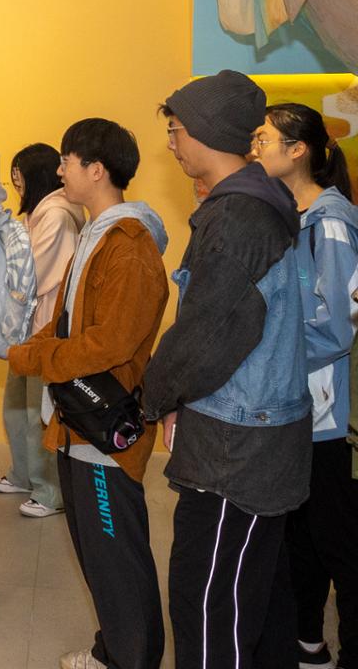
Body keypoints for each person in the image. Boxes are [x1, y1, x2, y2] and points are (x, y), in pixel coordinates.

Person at [144, 70, 311, 669]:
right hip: (255, 432)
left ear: (207, 132)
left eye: (176, 129)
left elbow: (207, 336)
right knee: (254, 599)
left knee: (210, 605)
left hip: (236, 446)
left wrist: (155, 396)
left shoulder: (238, 217)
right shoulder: (260, 202)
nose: (171, 143)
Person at [9, 119, 169, 669]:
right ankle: (113, 650)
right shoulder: (95, 233)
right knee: (98, 553)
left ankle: (130, 659)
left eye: (67, 161)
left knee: (116, 555)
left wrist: (34, 358)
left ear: (96, 170)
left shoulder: (129, 246)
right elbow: (68, 323)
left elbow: (110, 344)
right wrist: (33, 346)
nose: (59, 171)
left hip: (107, 424)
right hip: (77, 419)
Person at [251, 103, 357, 669]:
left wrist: (269, 357)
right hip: (290, 403)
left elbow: (337, 327)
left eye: (264, 139)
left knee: (336, 540)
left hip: (323, 412)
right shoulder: (283, 214)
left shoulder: (330, 222)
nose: (255, 148)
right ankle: (308, 643)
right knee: (298, 537)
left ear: (298, 151)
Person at [0, 143, 85, 519]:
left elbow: (32, 274)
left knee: (39, 412)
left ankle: (50, 491)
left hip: (45, 327)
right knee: (16, 407)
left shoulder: (57, 216)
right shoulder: (39, 214)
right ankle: (23, 474)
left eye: (19, 177)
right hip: (25, 329)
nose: (16, 185)